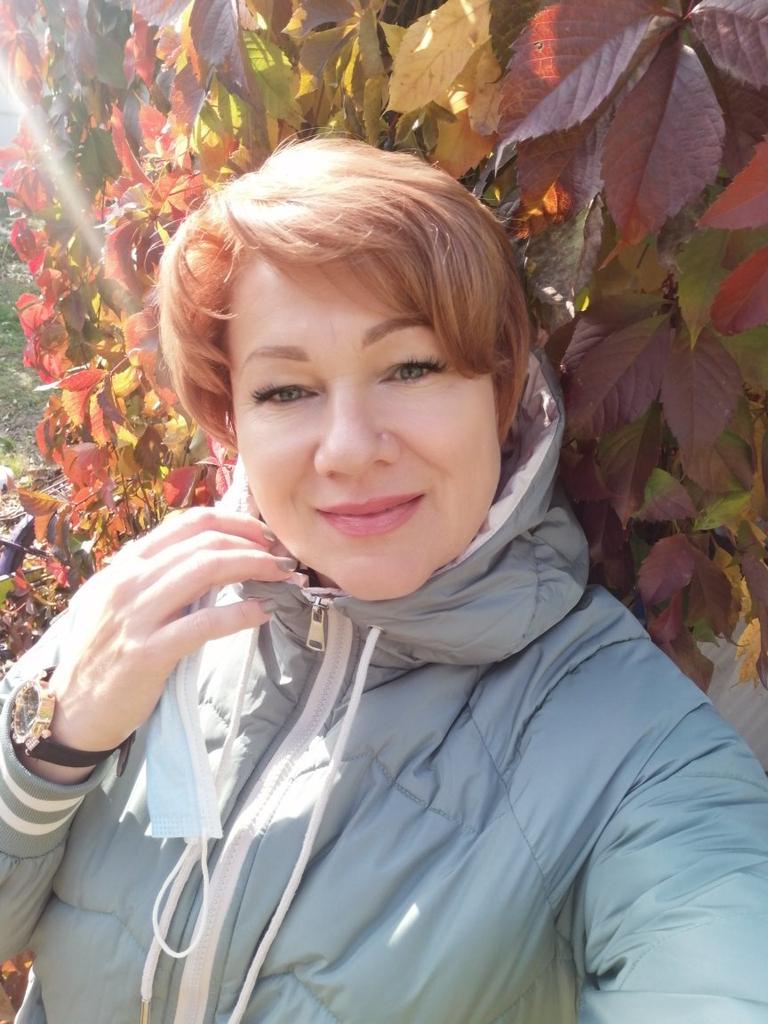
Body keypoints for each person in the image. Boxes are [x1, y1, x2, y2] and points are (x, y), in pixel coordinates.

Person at [1, 135, 767, 1024]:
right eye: (286, 390)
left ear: (501, 391)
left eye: (411, 367)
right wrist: (49, 750)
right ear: (233, 419)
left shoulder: (635, 749)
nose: (350, 450)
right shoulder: (146, 609)